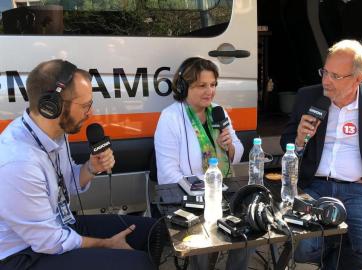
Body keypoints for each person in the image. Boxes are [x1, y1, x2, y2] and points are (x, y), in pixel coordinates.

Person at [0, 59, 158, 270]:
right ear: (53, 106)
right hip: (25, 254)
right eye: (85, 106)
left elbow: (67, 183)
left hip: (59, 226)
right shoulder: (18, 162)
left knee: (154, 232)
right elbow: (50, 242)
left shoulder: (55, 132)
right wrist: (106, 244)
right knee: (138, 264)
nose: (90, 113)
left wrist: (91, 168)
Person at [280, 39, 362, 269]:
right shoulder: (308, 96)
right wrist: (299, 140)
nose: (326, 81)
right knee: (301, 248)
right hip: (314, 187)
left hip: (360, 190)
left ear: (359, 78)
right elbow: (285, 143)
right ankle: (335, 244)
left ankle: (336, 254)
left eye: (335, 76)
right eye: (325, 72)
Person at [154, 57, 250, 270]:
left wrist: (230, 147)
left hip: (224, 190)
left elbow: (238, 151)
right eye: (202, 86)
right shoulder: (171, 117)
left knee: (249, 228)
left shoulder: (218, 111)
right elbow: (168, 174)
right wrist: (202, 193)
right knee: (201, 241)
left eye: (213, 84)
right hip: (189, 198)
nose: (210, 91)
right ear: (183, 87)